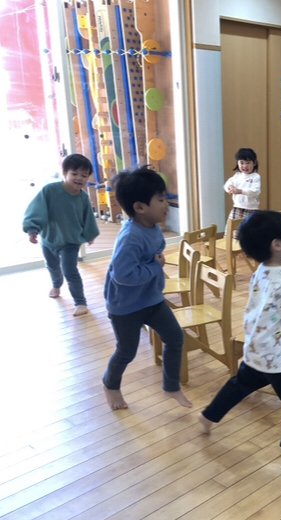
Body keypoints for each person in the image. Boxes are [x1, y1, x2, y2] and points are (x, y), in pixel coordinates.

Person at [198, 211, 281, 450]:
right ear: (277, 245)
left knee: (239, 385)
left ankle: (208, 415)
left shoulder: (260, 271)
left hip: (256, 349)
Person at [102, 167, 192, 411]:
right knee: (126, 352)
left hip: (151, 299)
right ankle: (110, 384)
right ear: (140, 207)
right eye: (161, 199)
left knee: (175, 338)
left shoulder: (153, 227)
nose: (167, 204)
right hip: (125, 306)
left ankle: (171, 386)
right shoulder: (130, 237)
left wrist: (155, 267)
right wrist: (155, 267)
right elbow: (122, 275)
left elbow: (155, 255)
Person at [22, 154, 100, 317]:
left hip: (71, 241)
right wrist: (32, 229)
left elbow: (88, 218)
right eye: (74, 174)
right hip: (49, 238)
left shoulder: (83, 198)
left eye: (84, 175)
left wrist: (89, 234)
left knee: (70, 271)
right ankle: (56, 285)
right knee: (52, 267)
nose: (79, 178)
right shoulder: (50, 190)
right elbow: (37, 209)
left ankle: (80, 302)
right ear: (65, 173)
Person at [224, 148, 261, 238]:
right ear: (237, 163)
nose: (245, 166)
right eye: (242, 163)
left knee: (249, 234)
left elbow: (256, 191)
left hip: (251, 210)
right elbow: (227, 185)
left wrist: (241, 191)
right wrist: (230, 188)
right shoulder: (237, 176)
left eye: (248, 163)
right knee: (231, 232)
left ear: (254, 163)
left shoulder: (255, 177)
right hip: (237, 208)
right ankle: (230, 245)